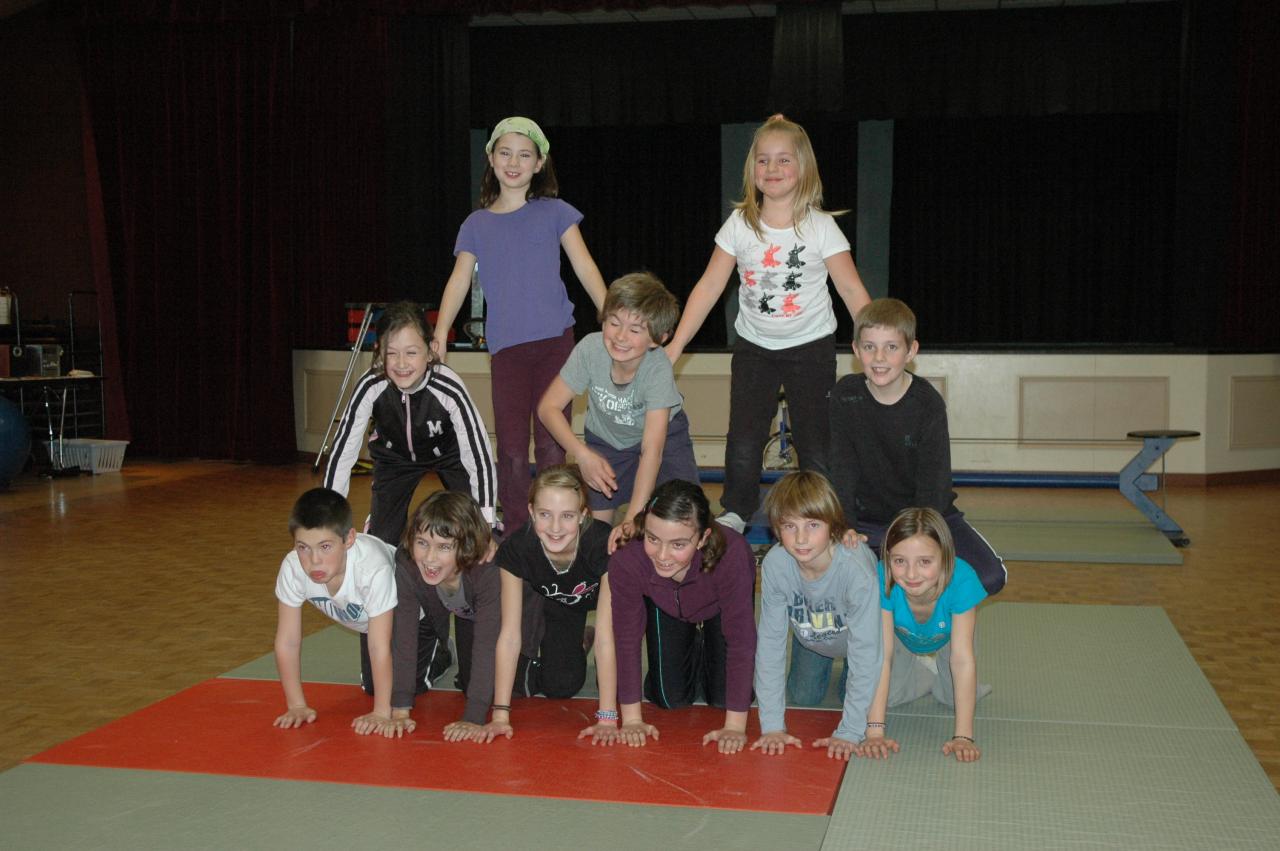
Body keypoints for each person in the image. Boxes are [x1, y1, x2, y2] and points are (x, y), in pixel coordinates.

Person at [664, 114, 871, 533]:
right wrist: (674, 347)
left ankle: (821, 513)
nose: (772, 170)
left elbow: (851, 290)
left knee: (816, 444)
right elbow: (708, 287)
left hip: (810, 347)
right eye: (763, 161)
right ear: (751, 169)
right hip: (755, 348)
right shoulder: (740, 224)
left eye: (783, 160)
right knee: (743, 439)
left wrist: (876, 344)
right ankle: (738, 511)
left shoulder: (820, 227)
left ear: (804, 169)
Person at [432, 116, 608, 534]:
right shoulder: (476, 224)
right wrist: (440, 331)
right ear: (491, 159)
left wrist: (610, 316)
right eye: (505, 152)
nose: (514, 162)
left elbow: (584, 266)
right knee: (511, 449)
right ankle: (514, 533)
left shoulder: (555, 213)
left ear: (539, 162)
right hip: (508, 352)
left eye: (524, 154)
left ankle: (555, 526)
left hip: (555, 344)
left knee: (551, 441)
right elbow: (458, 280)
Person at [828, 297, 1006, 594]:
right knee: (840, 576)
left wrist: (917, 542)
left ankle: (928, 616)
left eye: (892, 347)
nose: (880, 357)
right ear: (857, 350)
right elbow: (842, 469)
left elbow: (934, 485)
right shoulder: (845, 396)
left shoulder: (927, 404)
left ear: (911, 351)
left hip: (929, 517)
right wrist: (845, 526)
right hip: (867, 524)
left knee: (989, 577)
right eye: (870, 347)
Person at [537, 272, 698, 546]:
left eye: (635, 330)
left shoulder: (657, 368)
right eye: (614, 323)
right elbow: (548, 408)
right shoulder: (590, 349)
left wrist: (634, 516)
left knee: (683, 514)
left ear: (657, 339)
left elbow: (652, 450)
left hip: (663, 439)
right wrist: (582, 454)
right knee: (596, 533)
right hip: (607, 441)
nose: (621, 336)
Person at [323, 301, 497, 547]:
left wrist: (485, 520)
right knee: (382, 541)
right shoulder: (370, 385)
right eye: (391, 353)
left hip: (450, 454)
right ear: (378, 351)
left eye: (411, 352)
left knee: (474, 533)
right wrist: (328, 516)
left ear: (431, 350)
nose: (401, 363)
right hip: (395, 458)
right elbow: (344, 450)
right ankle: (381, 528)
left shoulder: (449, 387)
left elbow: (478, 455)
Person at [608, 479, 758, 753]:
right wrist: (630, 719)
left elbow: (742, 641)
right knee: (667, 697)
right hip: (666, 605)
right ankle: (691, 646)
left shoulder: (732, 554)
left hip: (717, 608)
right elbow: (626, 639)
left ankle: (705, 646)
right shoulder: (627, 560)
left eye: (678, 544)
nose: (663, 555)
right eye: (653, 539)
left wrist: (735, 726)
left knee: (725, 698)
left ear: (702, 538)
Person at [478, 464, 621, 744]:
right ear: (531, 512)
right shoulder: (517, 549)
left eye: (567, 516)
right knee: (560, 685)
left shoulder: (602, 545)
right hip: (560, 602)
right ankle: (578, 640)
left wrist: (607, 717)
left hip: (611, 606)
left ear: (583, 515)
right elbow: (509, 634)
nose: (555, 528)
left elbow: (606, 637)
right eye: (545, 515)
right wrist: (500, 715)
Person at [750, 471, 882, 761]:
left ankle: (914, 665)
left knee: (872, 686)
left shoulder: (854, 570)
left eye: (812, 525)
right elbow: (770, 644)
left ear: (833, 525)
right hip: (813, 636)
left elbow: (867, 651)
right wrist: (771, 725)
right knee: (804, 696)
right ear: (775, 528)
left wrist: (850, 731)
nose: (800, 538)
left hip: (861, 638)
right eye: (789, 526)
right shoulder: (776, 564)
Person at [272, 487, 406, 737]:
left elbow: (379, 647)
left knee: (407, 690)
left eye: (325, 547)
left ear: (349, 539)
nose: (314, 561)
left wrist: (381, 712)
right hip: (373, 624)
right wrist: (297, 705)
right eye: (303, 547)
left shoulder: (371, 568)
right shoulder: (293, 568)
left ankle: (438, 651)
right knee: (372, 685)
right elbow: (288, 641)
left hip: (411, 619)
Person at [862, 507, 989, 763]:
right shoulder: (881, 576)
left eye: (925, 562)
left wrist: (963, 737)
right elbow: (882, 654)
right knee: (892, 698)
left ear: (945, 558)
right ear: (887, 558)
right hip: (901, 636)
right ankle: (924, 669)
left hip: (948, 638)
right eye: (899, 561)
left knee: (953, 698)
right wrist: (874, 732)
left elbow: (962, 659)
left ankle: (937, 671)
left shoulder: (962, 579)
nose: (911, 574)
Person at [389, 491, 499, 742]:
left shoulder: (487, 569)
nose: (429, 558)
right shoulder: (408, 564)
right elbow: (404, 634)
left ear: (468, 546)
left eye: (444, 547)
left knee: (511, 687)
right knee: (470, 681)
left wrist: (473, 716)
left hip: (510, 621)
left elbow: (487, 644)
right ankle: (443, 652)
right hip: (464, 613)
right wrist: (400, 708)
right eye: (422, 543)